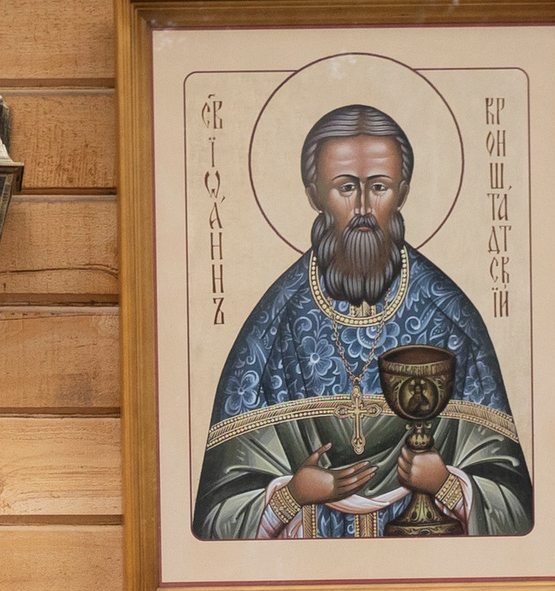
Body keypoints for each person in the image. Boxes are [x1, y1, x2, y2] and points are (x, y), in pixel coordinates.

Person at [192, 102, 531, 541]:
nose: (365, 207)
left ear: (403, 191)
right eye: (346, 187)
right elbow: (216, 517)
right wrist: (290, 495)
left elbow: (516, 509)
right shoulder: (276, 321)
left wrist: (446, 484)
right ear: (314, 192)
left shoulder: (449, 316)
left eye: (380, 187)